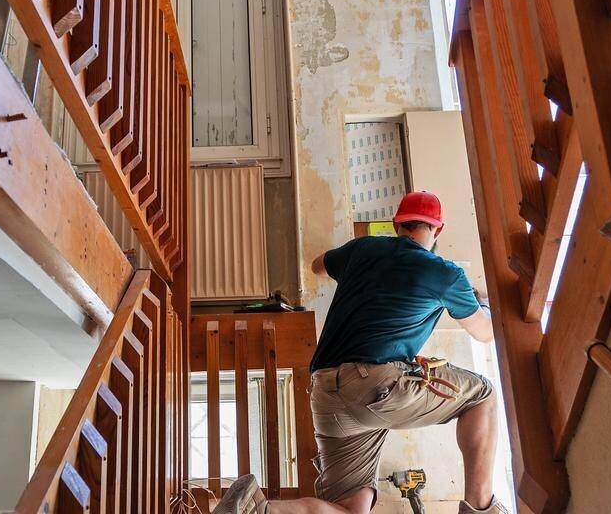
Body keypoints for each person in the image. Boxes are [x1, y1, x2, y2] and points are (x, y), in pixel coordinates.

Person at [216, 191, 505, 514]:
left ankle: (257, 509)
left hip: (326, 393)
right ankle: (481, 509)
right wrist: (479, 301)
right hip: (374, 385)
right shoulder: (445, 274)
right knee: (483, 395)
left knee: (349, 509)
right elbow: (485, 333)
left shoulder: (364, 248)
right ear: (438, 230)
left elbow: (317, 266)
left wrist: (356, 266)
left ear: (397, 225)